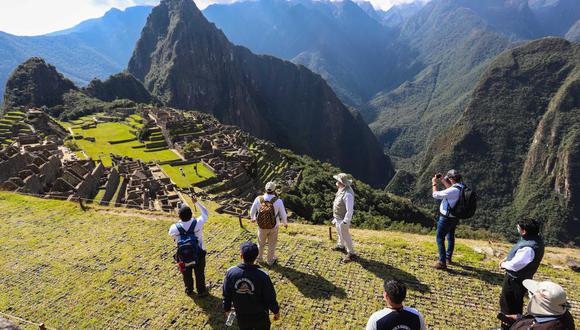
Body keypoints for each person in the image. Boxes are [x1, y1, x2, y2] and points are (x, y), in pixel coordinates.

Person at [498, 219, 545, 329]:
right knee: (514, 303)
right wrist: (506, 258)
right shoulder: (534, 240)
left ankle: (508, 327)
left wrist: (503, 264)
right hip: (520, 278)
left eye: (518, 228)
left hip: (515, 280)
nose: (517, 229)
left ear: (524, 231)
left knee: (508, 305)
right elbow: (518, 256)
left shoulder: (529, 248)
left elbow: (515, 266)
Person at [223, 242, 280, 329]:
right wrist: (276, 311)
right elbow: (270, 297)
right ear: (256, 257)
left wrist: (227, 309)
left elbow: (226, 294)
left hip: (242, 314)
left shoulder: (231, 273)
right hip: (260, 315)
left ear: (241, 256)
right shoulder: (263, 276)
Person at [168, 196, 210, 296]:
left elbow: (171, 234)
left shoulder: (174, 228)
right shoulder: (198, 223)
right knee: (199, 273)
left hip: (183, 255)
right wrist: (196, 203)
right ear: (191, 215)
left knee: (186, 274)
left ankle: (189, 290)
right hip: (199, 252)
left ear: (179, 216)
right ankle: (201, 290)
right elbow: (205, 213)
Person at [504, 280, 575, 330]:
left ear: (542, 303)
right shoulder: (562, 313)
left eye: (532, 294)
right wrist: (519, 318)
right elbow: (537, 319)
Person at [431, 169, 464, 269]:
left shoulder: (453, 190)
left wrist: (434, 184)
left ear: (451, 179)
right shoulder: (461, 187)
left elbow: (435, 195)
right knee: (450, 236)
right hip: (455, 217)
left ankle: (442, 262)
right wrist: (442, 180)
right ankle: (448, 257)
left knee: (439, 237)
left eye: (448, 179)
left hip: (446, 218)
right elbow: (450, 189)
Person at [249, 182, 288, 266]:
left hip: (261, 226)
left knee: (260, 243)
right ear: (274, 190)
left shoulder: (258, 199)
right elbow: (283, 214)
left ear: (265, 189)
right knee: (272, 244)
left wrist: (253, 218)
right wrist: (285, 223)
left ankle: (259, 258)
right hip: (274, 226)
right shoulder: (278, 201)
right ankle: (270, 260)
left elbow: (252, 211)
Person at [331, 173, 357, 263]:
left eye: (338, 181)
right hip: (338, 218)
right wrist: (336, 218)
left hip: (343, 219)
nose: (336, 182)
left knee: (345, 235)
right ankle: (340, 246)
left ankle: (352, 253)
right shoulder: (341, 189)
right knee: (339, 233)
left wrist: (345, 221)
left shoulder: (348, 194)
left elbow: (349, 210)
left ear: (342, 183)